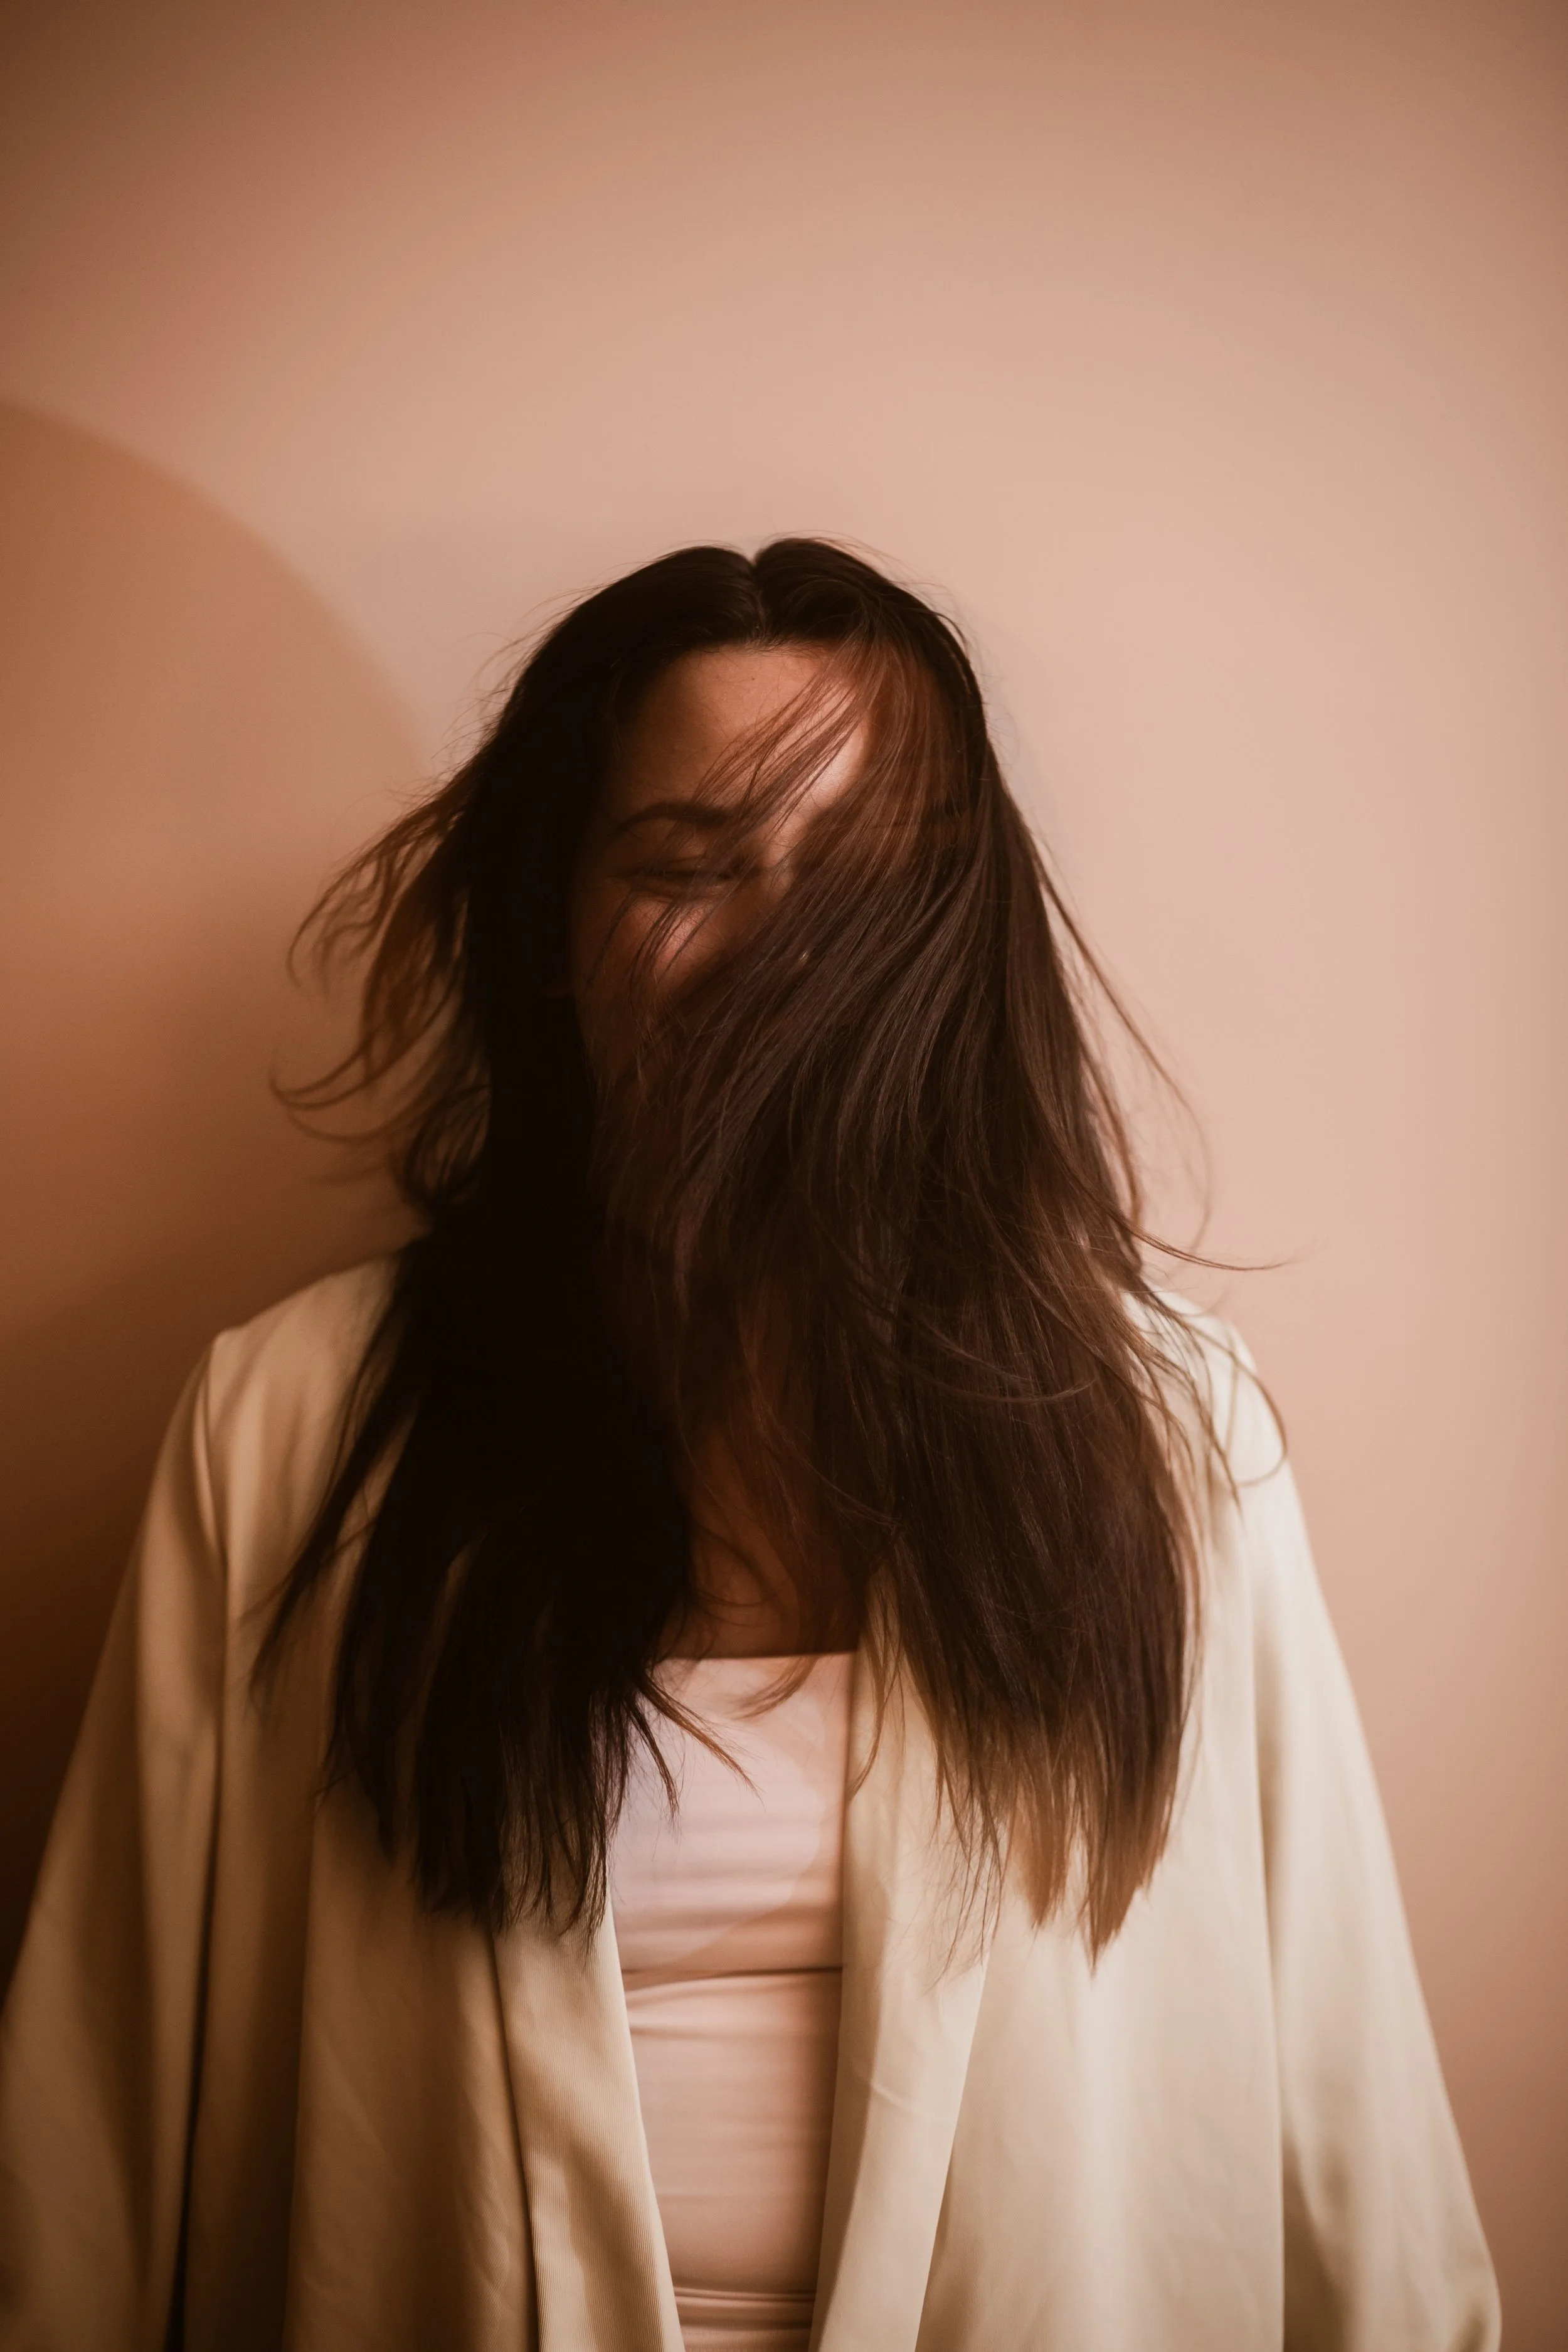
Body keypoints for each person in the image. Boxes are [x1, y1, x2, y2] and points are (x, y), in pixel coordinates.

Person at [0, 541, 1498, 2351]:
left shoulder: (1168, 1433)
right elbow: (80, 2164)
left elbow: (1368, 2182)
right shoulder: (291, 1423)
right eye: (686, 866)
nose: (784, 946)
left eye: (863, 877)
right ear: (557, 935)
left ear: (958, 940)